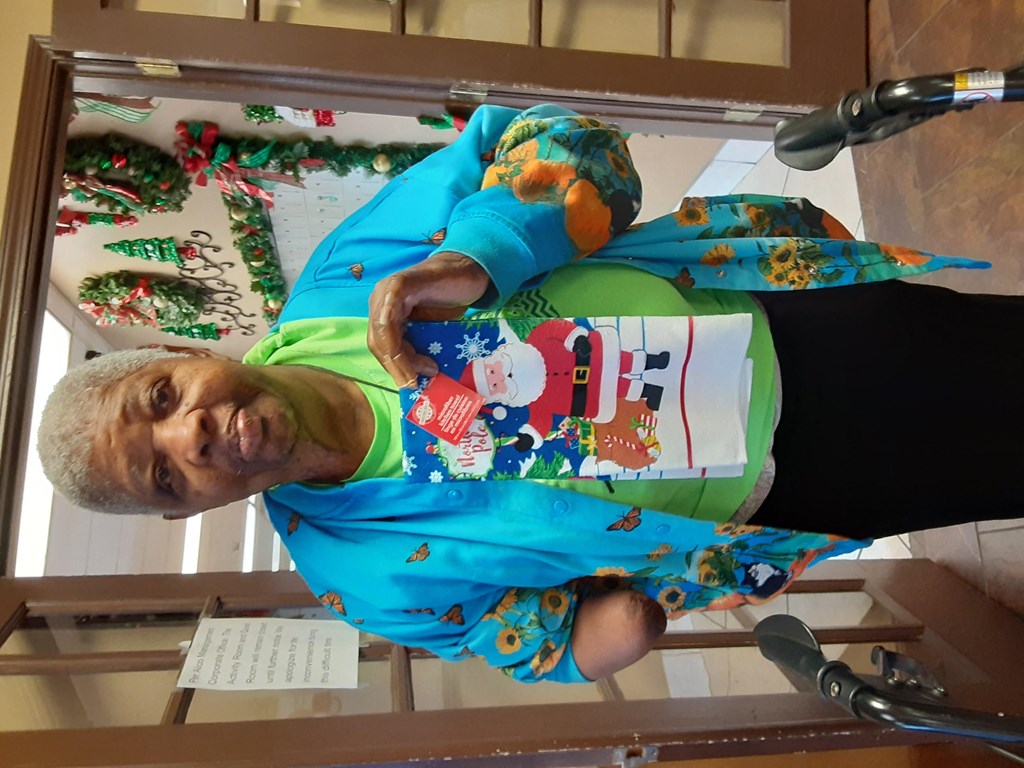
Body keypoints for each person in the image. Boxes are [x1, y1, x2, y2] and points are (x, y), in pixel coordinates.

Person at [38, 104, 1024, 685]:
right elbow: (547, 642)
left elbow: (554, 139)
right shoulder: (365, 577)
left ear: (180, 348)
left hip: (792, 322)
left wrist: (480, 252)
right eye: (166, 479)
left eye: (163, 398)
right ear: (190, 509)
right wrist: (607, 628)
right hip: (795, 489)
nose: (195, 439)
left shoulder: (352, 273)